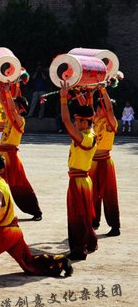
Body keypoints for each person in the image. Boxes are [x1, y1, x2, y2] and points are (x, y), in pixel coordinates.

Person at [0, 153, 72, 277]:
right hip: (13, 230)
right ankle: (61, 261)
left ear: (1, 170)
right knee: (29, 262)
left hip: (4, 233)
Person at [60, 84, 98, 260]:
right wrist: (87, 95)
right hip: (81, 180)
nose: (76, 123)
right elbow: (88, 110)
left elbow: (66, 122)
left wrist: (63, 98)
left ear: (85, 121)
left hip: (79, 182)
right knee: (83, 214)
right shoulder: (89, 132)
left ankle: (79, 249)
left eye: (79, 120)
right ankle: (88, 243)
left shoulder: (85, 136)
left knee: (78, 216)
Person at [0, 82, 42, 221]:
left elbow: (11, 108)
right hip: (1, 155)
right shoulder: (10, 117)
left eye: (16, 106)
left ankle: (36, 211)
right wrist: (2, 89)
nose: (13, 107)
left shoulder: (20, 120)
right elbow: (4, 103)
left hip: (11, 156)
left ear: (21, 109)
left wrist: (8, 93)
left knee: (20, 186)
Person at [90, 88, 120, 237]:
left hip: (106, 162)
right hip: (93, 162)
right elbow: (88, 107)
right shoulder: (95, 121)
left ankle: (115, 226)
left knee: (109, 195)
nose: (99, 111)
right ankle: (94, 222)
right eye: (98, 108)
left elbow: (109, 108)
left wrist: (102, 90)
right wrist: (88, 93)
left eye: (101, 108)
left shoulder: (111, 123)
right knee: (93, 194)